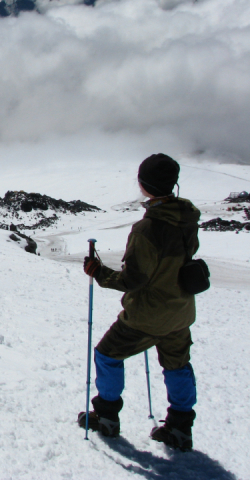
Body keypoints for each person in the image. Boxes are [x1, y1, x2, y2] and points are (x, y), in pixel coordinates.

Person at [78, 153, 200, 451]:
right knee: (178, 365)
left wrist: (99, 272)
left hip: (147, 315)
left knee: (107, 354)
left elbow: (133, 280)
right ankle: (180, 428)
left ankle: (106, 417)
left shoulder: (147, 229)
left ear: (144, 185)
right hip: (180, 310)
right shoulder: (188, 218)